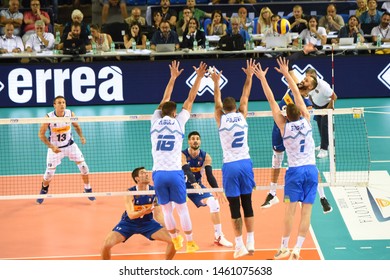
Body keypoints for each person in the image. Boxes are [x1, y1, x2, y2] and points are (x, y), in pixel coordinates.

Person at [253, 56, 319, 260]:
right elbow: (298, 95)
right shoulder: (307, 120)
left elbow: (272, 100)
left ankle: (283, 248)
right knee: (306, 212)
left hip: (296, 172)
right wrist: (286, 74)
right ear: (300, 112)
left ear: (285, 115)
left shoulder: (283, 127)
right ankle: (297, 249)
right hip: (312, 170)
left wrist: (263, 79)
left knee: (290, 211)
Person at [150, 60, 207, 253]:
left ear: (161, 112)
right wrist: (198, 77)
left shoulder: (155, 121)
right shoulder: (179, 122)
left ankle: (175, 239)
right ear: (175, 113)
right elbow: (190, 99)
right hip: (175, 172)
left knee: (166, 210)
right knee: (182, 208)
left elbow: (164, 99)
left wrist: (172, 78)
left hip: (158, 173)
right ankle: (190, 242)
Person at [210, 59, 256, 259]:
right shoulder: (243, 114)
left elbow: (216, 101)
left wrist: (215, 82)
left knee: (234, 206)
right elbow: (246, 94)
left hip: (230, 166)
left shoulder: (220, 118)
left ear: (223, 109)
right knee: (248, 203)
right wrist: (249, 76)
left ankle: (239, 245)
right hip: (246, 163)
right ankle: (251, 241)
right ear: (236, 107)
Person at [100, 167, 176, 260]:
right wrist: (143, 212)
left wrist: (170, 227)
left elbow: (158, 215)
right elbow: (131, 215)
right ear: (137, 178)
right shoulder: (130, 192)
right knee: (106, 245)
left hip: (147, 223)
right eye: (143, 173)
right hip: (128, 223)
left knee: (174, 240)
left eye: (146, 172)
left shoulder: (154, 192)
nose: (147, 174)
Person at [37, 96, 95, 205]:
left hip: (70, 146)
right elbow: (41, 134)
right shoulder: (49, 117)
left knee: (84, 167)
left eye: (64, 102)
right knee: (49, 173)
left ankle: (87, 188)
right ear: (54, 105)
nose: (62, 104)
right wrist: (51, 146)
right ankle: (44, 188)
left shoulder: (70, 114)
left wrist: (81, 136)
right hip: (55, 149)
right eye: (59, 103)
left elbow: (77, 126)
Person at [181, 131, 233, 247]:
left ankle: (218, 236)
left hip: (197, 187)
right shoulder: (182, 154)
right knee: (169, 207)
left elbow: (209, 176)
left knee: (214, 203)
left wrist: (217, 190)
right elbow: (186, 170)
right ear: (189, 141)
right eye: (193, 138)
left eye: (197, 139)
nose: (195, 140)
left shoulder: (206, 156)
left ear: (200, 141)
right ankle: (168, 234)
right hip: (180, 187)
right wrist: (194, 183)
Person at [306, 69, 338, 159]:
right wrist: (312, 105)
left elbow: (334, 97)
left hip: (326, 106)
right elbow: (310, 95)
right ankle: (323, 144)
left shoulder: (323, 86)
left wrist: (327, 109)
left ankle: (324, 150)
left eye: (310, 76)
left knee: (324, 126)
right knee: (320, 125)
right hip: (317, 107)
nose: (308, 78)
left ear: (315, 76)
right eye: (307, 77)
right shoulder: (309, 84)